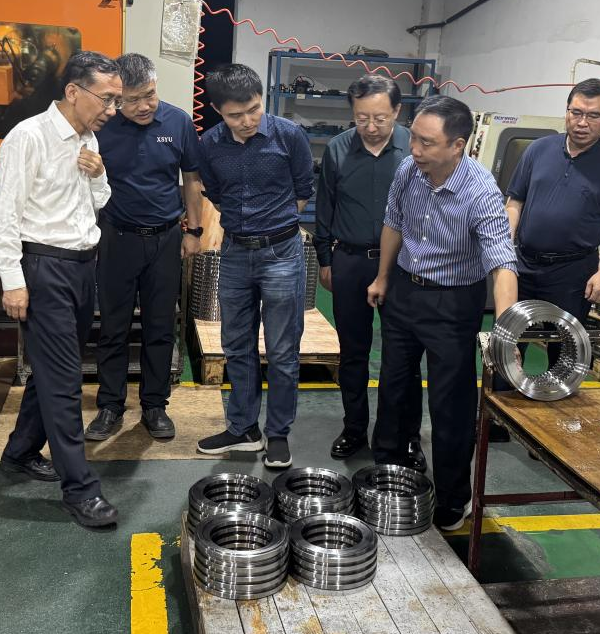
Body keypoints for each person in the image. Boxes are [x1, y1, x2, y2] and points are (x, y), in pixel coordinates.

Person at [367, 95, 518, 533]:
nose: (414, 149)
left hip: (452, 303)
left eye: (427, 143)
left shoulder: (481, 192)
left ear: (458, 145)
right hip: (404, 292)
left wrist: (506, 329)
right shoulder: (408, 171)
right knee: (394, 387)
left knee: (450, 404)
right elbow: (394, 223)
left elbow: (502, 263)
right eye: (413, 138)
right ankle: (390, 472)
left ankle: (454, 497)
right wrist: (382, 277)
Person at [0, 50, 122, 530]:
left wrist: (99, 175)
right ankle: (80, 489)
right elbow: (3, 216)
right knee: (64, 383)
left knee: (51, 371)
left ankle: (20, 452)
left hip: (82, 268)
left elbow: (97, 203)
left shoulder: (89, 141)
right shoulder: (29, 137)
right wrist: (13, 281)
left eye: (116, 100)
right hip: (44, 269)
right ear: (73, 91)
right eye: (106, 99)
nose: (112, 109)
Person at [195, 63, 314, 469]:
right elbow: (214, 192)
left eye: (253, 109)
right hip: (234, 253)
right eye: (235, 115)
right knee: (236, 345)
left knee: (282, 350)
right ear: (217, 110)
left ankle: (277, 433)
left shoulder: (289, 135)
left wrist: (273, 224)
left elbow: (303, 189)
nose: (247, 121)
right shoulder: (209, 144)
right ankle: (244, 428)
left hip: (281, 253)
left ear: (261, 99)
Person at [86, 53, 205, 443]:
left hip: (165, 239)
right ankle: (110, 406)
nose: (143, 106)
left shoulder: (178, 123)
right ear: (117, 97)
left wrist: (194, 230)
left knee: (160, 326)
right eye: (132, 99)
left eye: (149, 95)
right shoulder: (101, 126)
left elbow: (191, 179)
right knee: (113, 327)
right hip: (116, 237)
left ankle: (155, 406)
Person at [314, 74, 420, 464]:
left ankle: (406, 436)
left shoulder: (414, 148)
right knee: (353, 352)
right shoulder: (338, 149)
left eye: (380, 118)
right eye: (362, 119)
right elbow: (325, 206)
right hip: (350, 261)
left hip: (403, 264)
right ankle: (355, 428)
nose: (371, 127)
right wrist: (326, 260)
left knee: (404, 355)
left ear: (397, 111)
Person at [505, 78, 600, 336]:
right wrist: (505, 249)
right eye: (576, 112)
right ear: (566, 111)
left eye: (593, 115)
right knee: (510, 341)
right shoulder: (538, 150)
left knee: (565, 349)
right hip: (523, 266)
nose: (582, 122)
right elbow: (514, 203)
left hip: (572, 275)